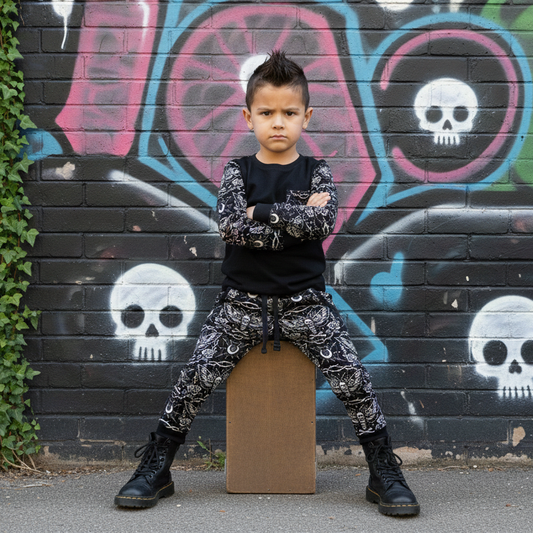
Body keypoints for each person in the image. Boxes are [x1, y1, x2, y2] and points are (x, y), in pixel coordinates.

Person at [114, 50, 420, 517]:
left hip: (307, 306)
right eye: (267, 113)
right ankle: (157, 466)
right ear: (248, 116)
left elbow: (321, 223)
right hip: (240, 306)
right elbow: (233, 228)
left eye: (289, 113)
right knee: (193, 380)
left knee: (354, 379)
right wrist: (285, 220)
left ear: (306, 116)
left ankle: (383, 471)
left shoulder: (317, 171)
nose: (278, 123)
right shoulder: (238, 170)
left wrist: (261, 212)